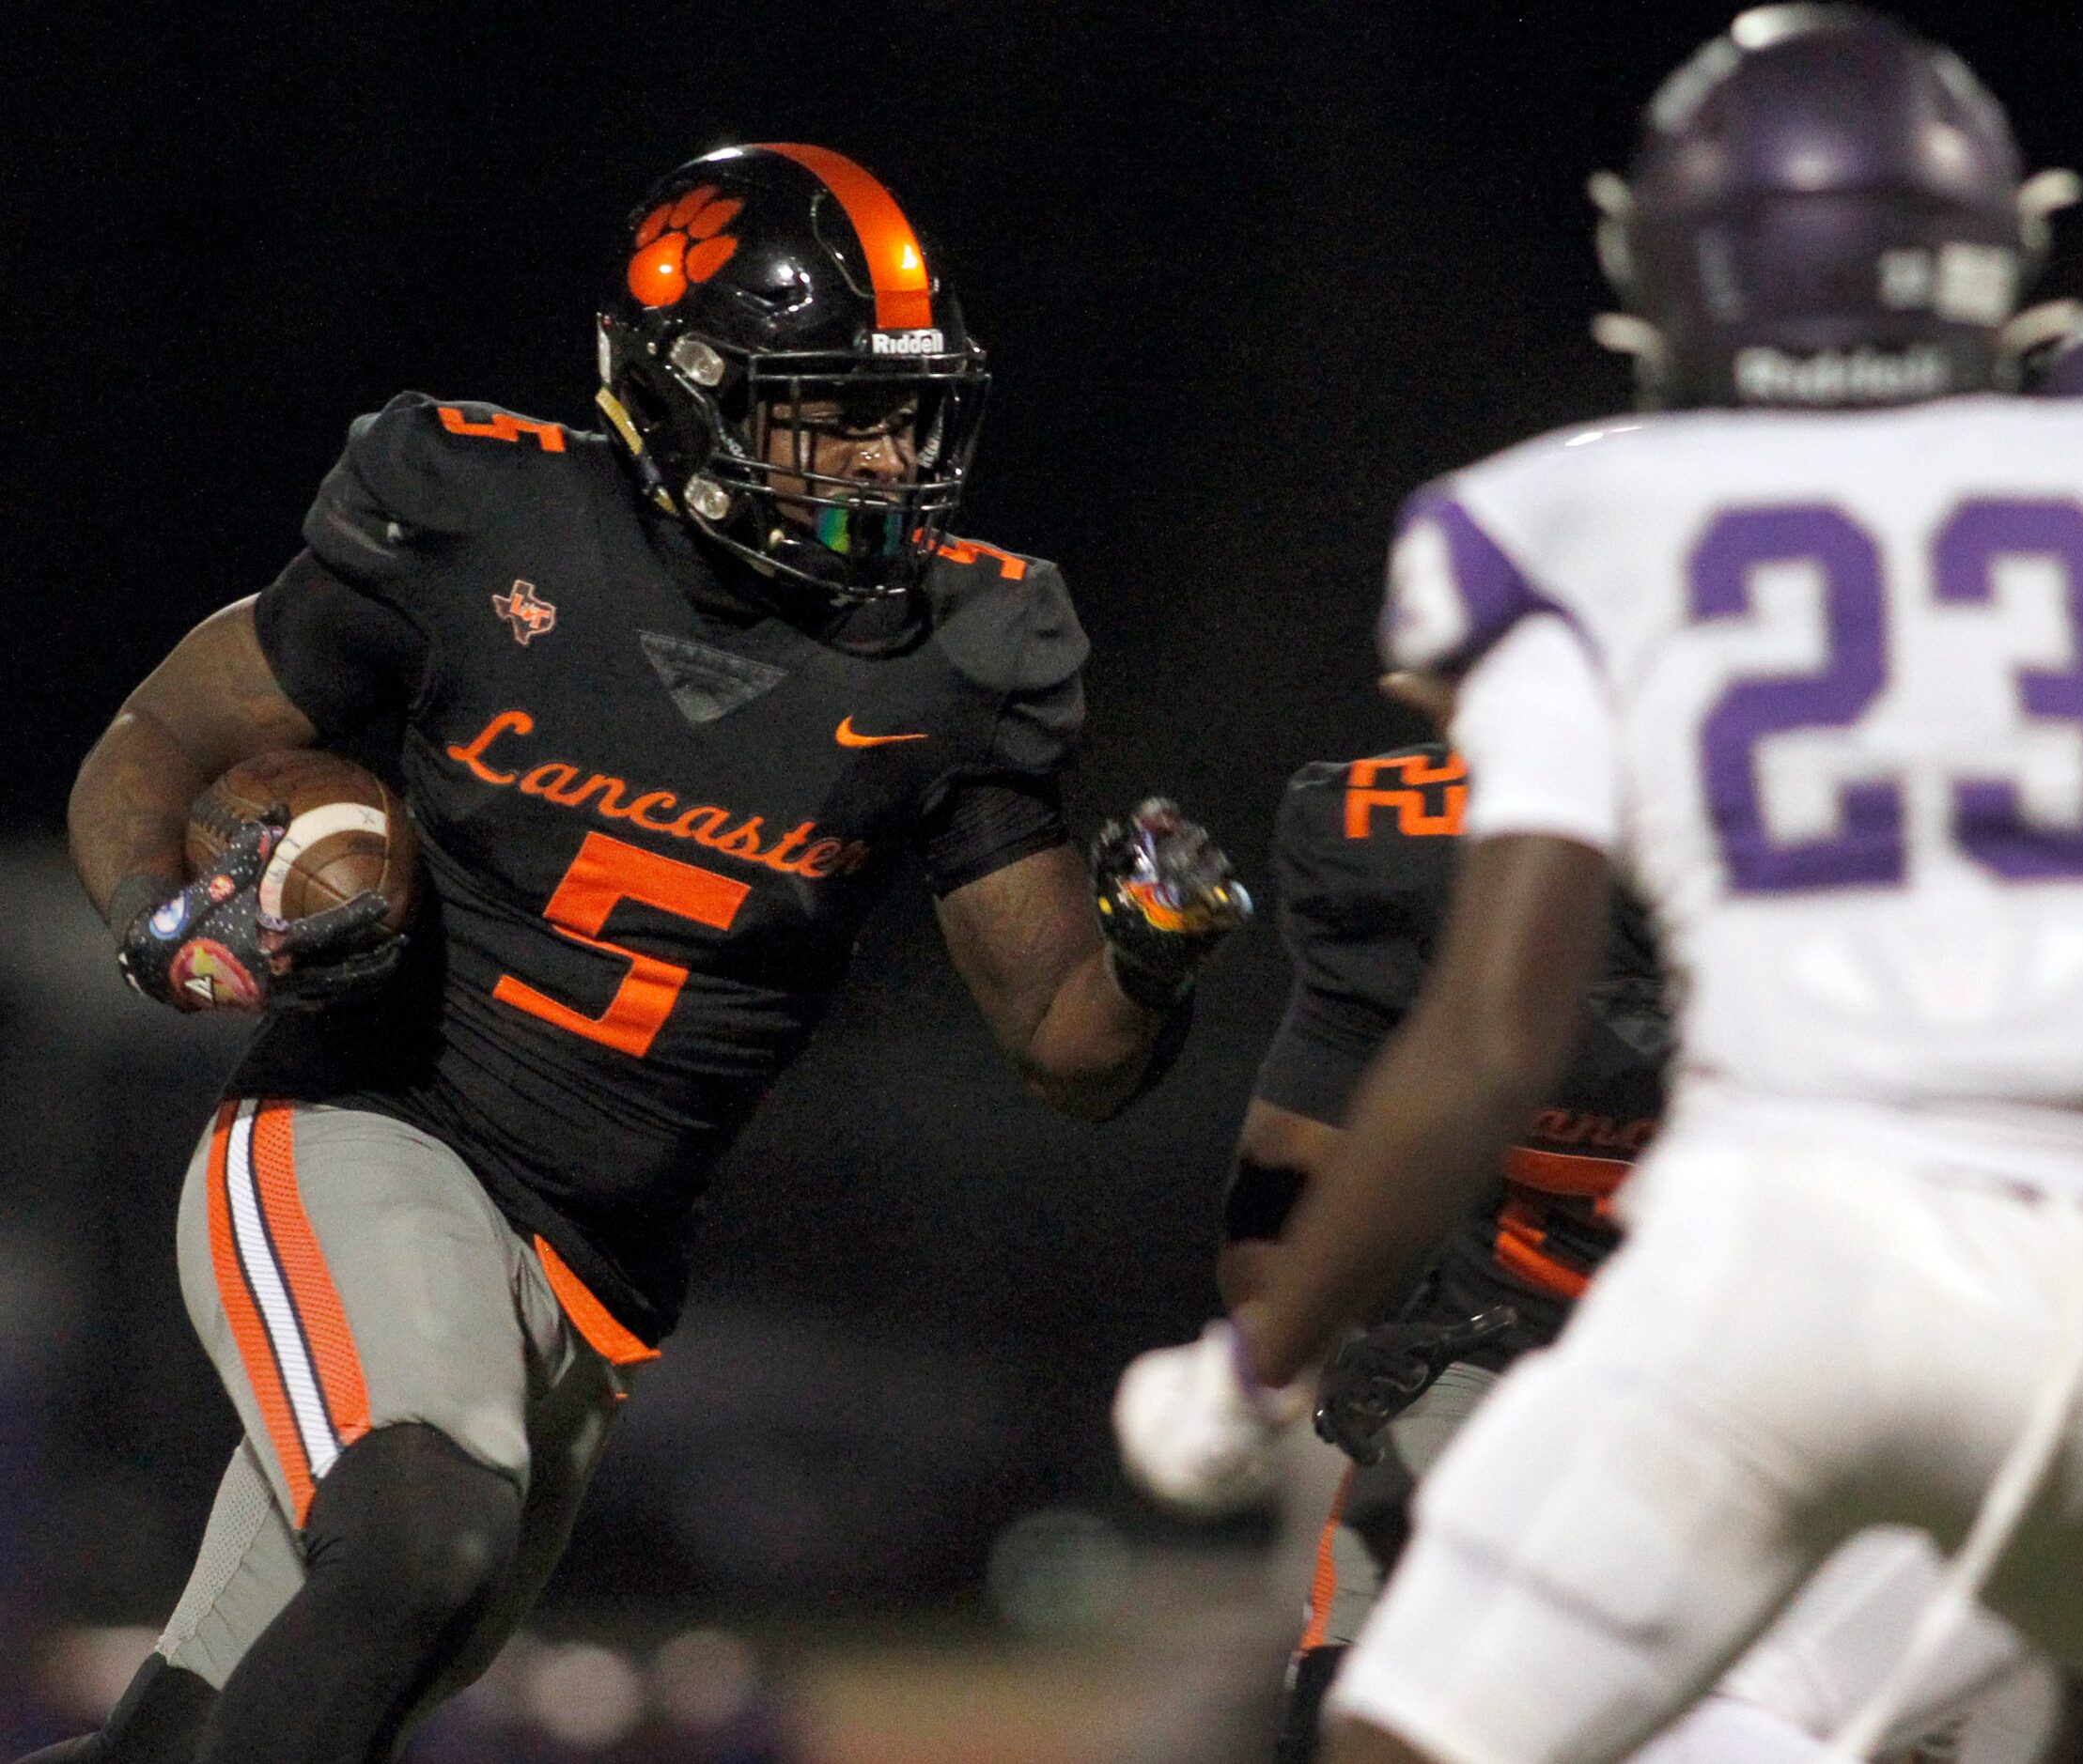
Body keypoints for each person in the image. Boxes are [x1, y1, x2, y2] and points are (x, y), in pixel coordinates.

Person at [1114, 10, 2083, 1763]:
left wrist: (1242, 1378)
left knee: (1436, 1730)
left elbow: (1489, 1041)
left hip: (1800, 1244)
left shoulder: (1580, 539)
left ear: (1681, 273)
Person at [42, 141, 1249, 1764]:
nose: (884, 459)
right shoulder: (479, 514)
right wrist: (162, 935)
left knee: (222, 1720)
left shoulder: (963, 651)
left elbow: (1064, 1041)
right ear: (675, 393)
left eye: (906, 415)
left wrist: (1154, 958)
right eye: (829, 413)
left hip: (593, 1280)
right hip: (369, 1134)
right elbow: (159, 736)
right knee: (420, 1540)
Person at [1222, 687, 1671, 1762]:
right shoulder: (1402, 854)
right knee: (1364, 1711)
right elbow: (1285, 1174)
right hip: (1505, 1333)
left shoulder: (1906, 862)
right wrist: (1272, 1343)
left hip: (1801, 1354)